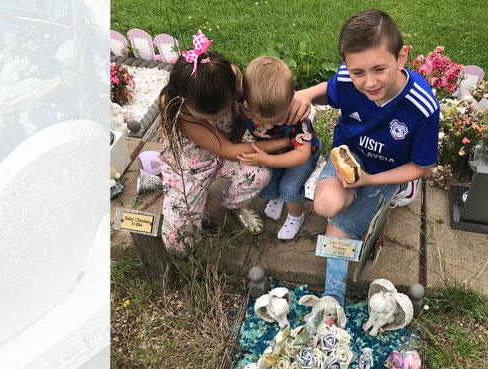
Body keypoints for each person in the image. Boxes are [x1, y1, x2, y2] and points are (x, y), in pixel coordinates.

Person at [288, 9, 438, 240]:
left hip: (389, 168)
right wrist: (306, 94)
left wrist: (369, 180)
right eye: (358, 71)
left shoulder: (422, 107)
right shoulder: (348, 79)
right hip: (349, 154)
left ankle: (398, 189)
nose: (369, 83)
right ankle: (353, 198)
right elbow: (330, 90)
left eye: (379, 69)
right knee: (325, 206)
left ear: (401, 57)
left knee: (335, 241)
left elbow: (421, 167)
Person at [158, 33, 292, 254]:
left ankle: (234, 205)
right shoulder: (178, 108)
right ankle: (175, 192)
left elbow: (267, 92)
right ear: (186, 100)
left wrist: (295, 102)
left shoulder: (230, 76)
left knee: (259, 173)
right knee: (179, 245)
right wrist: (285, 142)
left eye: (220, 113)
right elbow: (229, 151)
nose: (214, 120)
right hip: (191, 168)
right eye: (206, 117)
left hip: (223, 155)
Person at [237, 56, 322, 240]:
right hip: (274, 153)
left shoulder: (297, 117)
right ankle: (277, 198)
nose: (266, 127)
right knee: (268, 184)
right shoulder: (244, 105)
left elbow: (302, 154)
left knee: (290, 188)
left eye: (275, 121)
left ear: (291, 100)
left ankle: (295, 216)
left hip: (301, 155)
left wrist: (268, 160)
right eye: (258, 120)